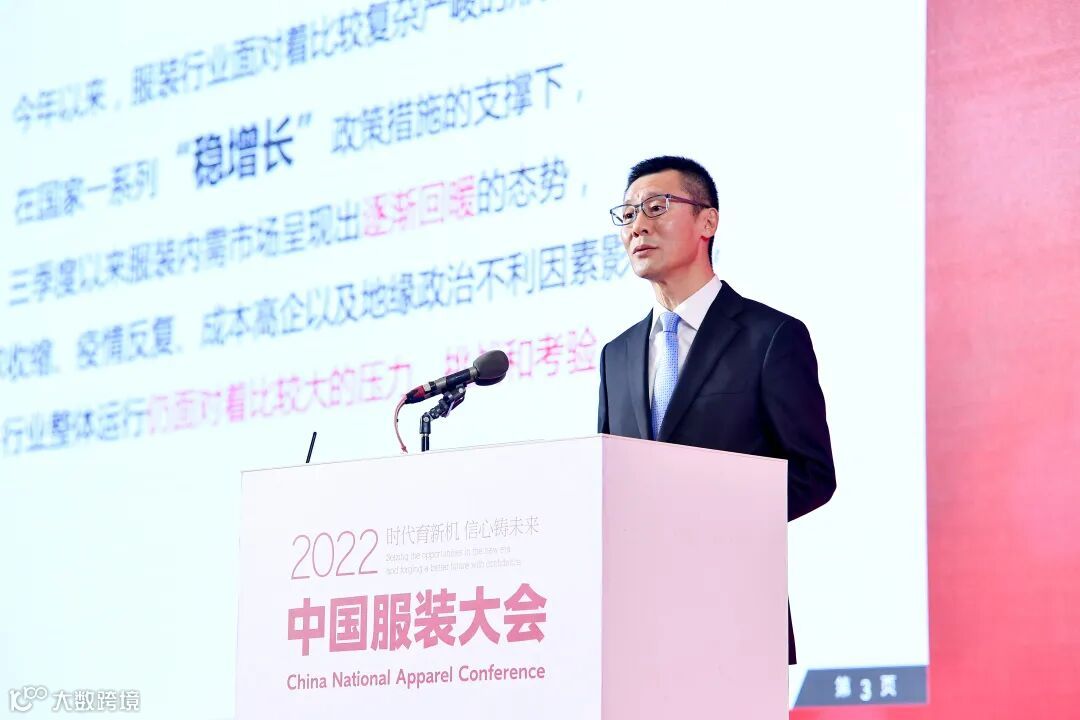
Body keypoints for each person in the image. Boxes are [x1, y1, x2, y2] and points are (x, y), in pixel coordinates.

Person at [596, 155, 836, 664]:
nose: (638, 226)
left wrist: (706, 514)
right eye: (628, 214)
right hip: (635, 626)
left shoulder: (771, 337)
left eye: (656, 207)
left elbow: (812, 475)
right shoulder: (616, 355)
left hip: (736, 613)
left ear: (708, 221)